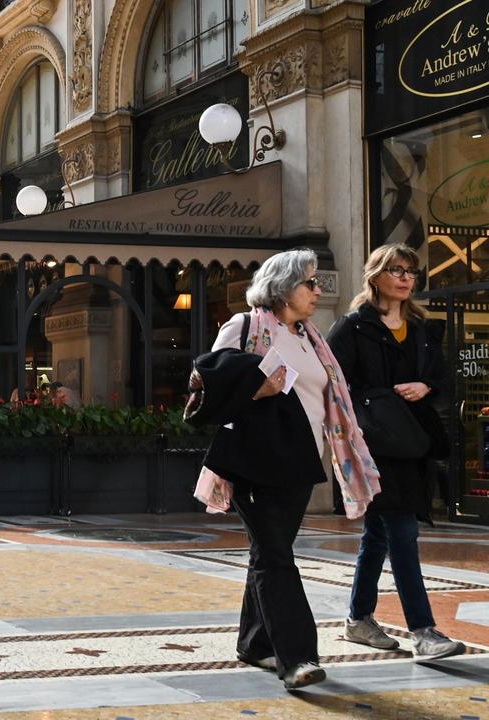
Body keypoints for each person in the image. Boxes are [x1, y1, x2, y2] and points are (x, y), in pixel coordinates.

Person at [187, 248, 380, 689]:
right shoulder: (247, 326)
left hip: (301, 461)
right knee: (276, 556)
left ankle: (254, 642)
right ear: (282, 286)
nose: (317, 290)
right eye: (308, 283)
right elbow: (206, 389)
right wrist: (256, 389)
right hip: (255, 460)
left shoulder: (312, 338)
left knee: (268, 552)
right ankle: (297, 658)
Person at [327, 243, 466, 660]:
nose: (406, 278)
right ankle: (423, 630)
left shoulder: (423, 329)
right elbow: (333, 384)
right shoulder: (353, 326)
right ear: (376, 277)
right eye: (397, 270)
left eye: (411, 272)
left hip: (413, 442)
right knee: (402, 530)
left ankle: (358, 619)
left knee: (379, 533)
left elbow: (442, 379)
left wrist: (426, 387)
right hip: (375, 446)